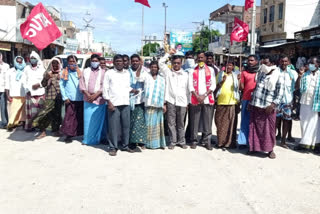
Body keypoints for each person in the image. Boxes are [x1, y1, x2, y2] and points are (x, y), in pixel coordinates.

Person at [248, 56, 284, 159]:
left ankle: (270, 150)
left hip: (268, 107)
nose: (263, 65)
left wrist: (273, 105)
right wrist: (251, 102)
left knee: (269, 130)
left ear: (272, 64)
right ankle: (254, 148)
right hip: (256, 105)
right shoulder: (261, 73)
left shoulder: (278, 75)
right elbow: (256, 88)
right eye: (263, 63)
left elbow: (280, 93)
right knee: (255, 128)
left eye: (266, 63)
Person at [103, 54, 136, 156]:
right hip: (114, 104)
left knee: (126, 126)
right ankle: (113, 147)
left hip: (125, 102)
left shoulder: (126, 73)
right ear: (113, 63)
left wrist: (133, 90)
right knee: (113, 127)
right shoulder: (109, 73)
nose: (119, 63)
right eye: (116, 61)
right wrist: (109, 102)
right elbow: (105, 88)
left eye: (120, 61)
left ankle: (125, 145)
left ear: (124, 63)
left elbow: (126, 86)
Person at [159, 49, 189, 149]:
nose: (176, 65)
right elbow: (160, 62)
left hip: (182, 102)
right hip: (171, 101)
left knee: (181, 123)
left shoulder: (185, 75)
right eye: (174, 63)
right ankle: (173, 141)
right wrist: (168, 54)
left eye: (178, 63)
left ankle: (181, 141)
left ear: (181, 64)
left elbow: (188, 90)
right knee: (171, 123)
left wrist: (188, 102)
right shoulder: (168, 73)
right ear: (171, 63)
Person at [189, 51, 216, 150]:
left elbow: (213, 85)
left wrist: (204, 96)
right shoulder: (192, 70)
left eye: (202, 58)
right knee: (194, 121)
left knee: (207, 121)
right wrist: (197, 96)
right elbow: (190, 85)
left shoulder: (211, 70)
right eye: (199, 58)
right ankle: (194, 140)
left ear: (205, 58)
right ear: (197, 59)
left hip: (207, 99)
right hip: (195, 99)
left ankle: (207, 141)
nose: (200, 59)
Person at [136, 61, 166, 149]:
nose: (154, 68)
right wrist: (140, 66)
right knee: (148, 124)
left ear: (158, 68)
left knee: (157, 124)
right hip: (148, 103)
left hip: (158, 104)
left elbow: (164, 91)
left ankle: (157, 144)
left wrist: (164, 104)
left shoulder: (162, 78)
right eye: (152, 67)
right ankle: (145, 143)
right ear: (149, 67)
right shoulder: (146, 75)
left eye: (155, 67)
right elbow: (137, 77)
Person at [79, 54, 107, 145]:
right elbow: (82, 84)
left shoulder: (103, 72)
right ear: (90, 61)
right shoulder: (85, 71)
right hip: (88, 100)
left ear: (99, 62)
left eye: (96, 61)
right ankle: (87, 140)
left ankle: (96, 139)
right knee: (88, 121)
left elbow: (104, 86)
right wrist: (88, 95)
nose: (94, 62)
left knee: (97, 122)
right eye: (93, 61)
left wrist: (95, 95)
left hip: (99, 100)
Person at [32, 58, 63, 139]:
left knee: (57, 115)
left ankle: (55, 130)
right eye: (53, 64)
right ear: (51, 65)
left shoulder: (62, 73)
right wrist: (46, 78)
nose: (55, 66)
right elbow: (43, 84)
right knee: (44, 114)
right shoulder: (47, 73)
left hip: (59, 98)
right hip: (49, 97)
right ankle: (42, 131)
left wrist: (62, 78)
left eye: (57, 64)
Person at [295, 57, 320, 152]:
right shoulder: (305, 74)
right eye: (309, 63)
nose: (310, 65)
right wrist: (300, 76)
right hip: (305, 102)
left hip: (317, 103)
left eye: (312, 63)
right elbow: (297, 87)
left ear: (318, 64)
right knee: (304, 122)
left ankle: (315, 144)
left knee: (315, 124)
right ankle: (305, 143)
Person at [214, 61, 240, 149]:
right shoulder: (220, 75)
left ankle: (230, 143)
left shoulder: (236, 76)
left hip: (232, 103)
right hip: (221, 102)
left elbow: (239, 88)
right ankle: (221, 142)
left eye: (230, 65)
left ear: (233, 67)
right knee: (220, 123)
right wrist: (222, 81)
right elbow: (215, 87)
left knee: (231, 124)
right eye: (227, 65)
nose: (228, 67)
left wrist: (239, 80)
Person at [60, 55, 84, 143]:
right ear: (67, 62)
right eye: (70, 61)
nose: (72, 63)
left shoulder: (81, 72)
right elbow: (61, 85)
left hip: (80, 98)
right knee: (69, 117)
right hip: (69, 98)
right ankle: (68, 135)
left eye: (73, 61)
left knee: (79, 117)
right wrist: (65, 97)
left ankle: (79, 134)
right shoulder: (64, 72)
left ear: (76, 62)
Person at [275, 55, 298, 149]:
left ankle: (283, 141)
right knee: (276, 121)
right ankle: (274, 138)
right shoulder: (275, 71)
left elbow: (296, 86)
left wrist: (295, 101)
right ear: (279, 61)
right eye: (282, 61)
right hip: (276, 101)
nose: (284, 63)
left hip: (288, 100)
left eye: (286, 61)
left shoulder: (293, 73)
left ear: (289, 62)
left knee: (287, 121)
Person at [237, 55, 258, 148]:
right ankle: (242, 141)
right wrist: (240, 80)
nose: (250, 62)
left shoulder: (260, 72)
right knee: (245, 120)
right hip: (246, 98)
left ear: (256, 61)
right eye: (249, 60)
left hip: (257, 100)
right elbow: (241, 88)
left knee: (255, 121)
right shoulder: (244, 72)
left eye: (252, 60)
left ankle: (253, 142)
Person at [128, 54, 148, 150]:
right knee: (131, 122)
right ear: (130, 62)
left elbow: (140, 79)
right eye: (133, 61)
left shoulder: (145, 71)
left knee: (140, 122)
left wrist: (140, 68)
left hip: (140, 100)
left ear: (140, 62)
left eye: (137, 61)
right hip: (129, 100)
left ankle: (140, 141)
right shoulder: (127, 72)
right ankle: (131, 142)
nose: (135, 62)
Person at [24, 51, 45, 131]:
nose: (33, 60)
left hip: (40, 92)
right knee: (30, 112)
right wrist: (28, 89)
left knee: (39, 111)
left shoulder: (42, 69)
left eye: (34, 58)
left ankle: (40, 126)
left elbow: (44, 80)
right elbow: (24, 81)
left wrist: (39, 84)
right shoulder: (27, 68)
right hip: (30, 93)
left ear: (37, 59)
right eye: (31, 58)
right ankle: (30, 126)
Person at [5, 56, 27, 131]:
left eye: (20, 61)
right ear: (15, 62)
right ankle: (11, 124)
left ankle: (24, 123)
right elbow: (7, 83)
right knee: (14, 111)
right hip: (14, 94)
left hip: (24, 94)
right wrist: (7, 95)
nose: (19, 63)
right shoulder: (10, 71)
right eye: (17, 61)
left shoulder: (26, 70)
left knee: (24, 112)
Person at [0, 53, 9, 129]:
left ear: (1, 57)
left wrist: (7, 89)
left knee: (3, 106)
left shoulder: (6, 66)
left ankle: (5, 122)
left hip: (2, 89)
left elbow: (7, 78)